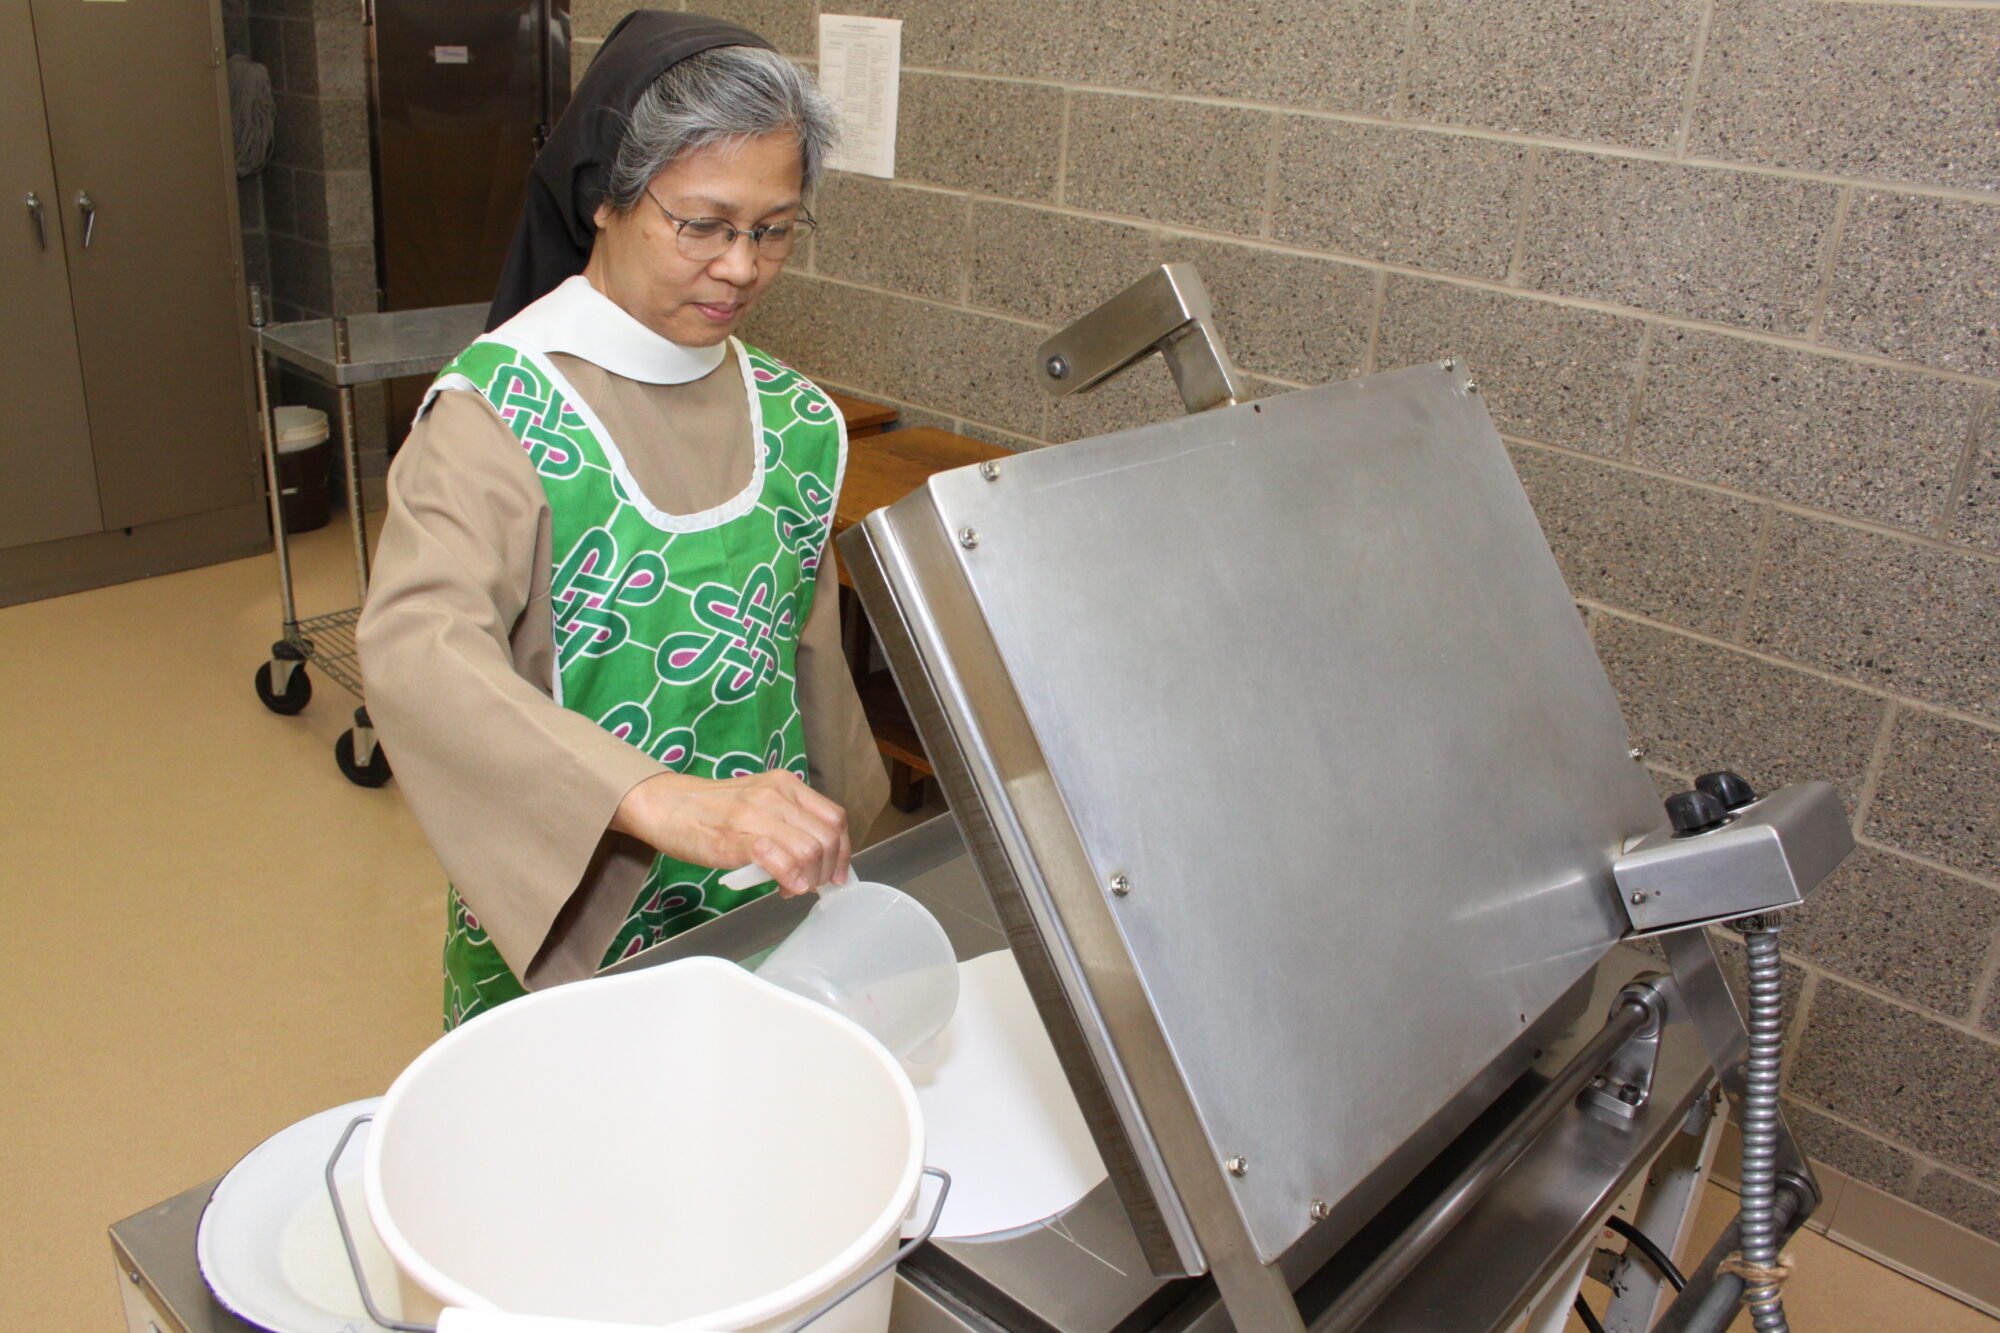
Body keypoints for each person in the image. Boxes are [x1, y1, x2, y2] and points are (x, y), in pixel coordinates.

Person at [357, 11, 887, 1029]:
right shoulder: (498, 417)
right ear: (606, 197)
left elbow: (809, 667)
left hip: (762, 897)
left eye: (772, 230)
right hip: (577, 907)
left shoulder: (797, 422)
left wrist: (857, 852)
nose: (740, 267)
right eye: (703, 224)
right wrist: (655, 797)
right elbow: (421, 649)